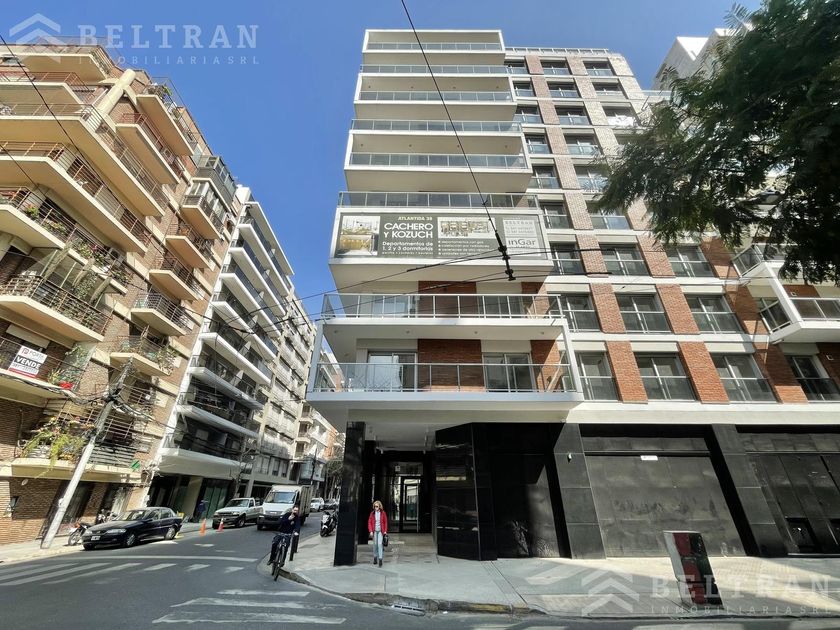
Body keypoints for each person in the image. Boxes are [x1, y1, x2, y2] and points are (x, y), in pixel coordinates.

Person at [367, 500, 388, 567]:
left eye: (377, 506)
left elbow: (385, 522)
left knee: (379, 544)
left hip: (381, 531)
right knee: (375, 545)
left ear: (379, 507)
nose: (376, 507)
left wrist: (385, 531)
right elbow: (369, 522)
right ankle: (375, 557)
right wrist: (370, 531)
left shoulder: (383, 513)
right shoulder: (372, 513)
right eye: (375, 506)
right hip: (374, 531)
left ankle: (380, 559)